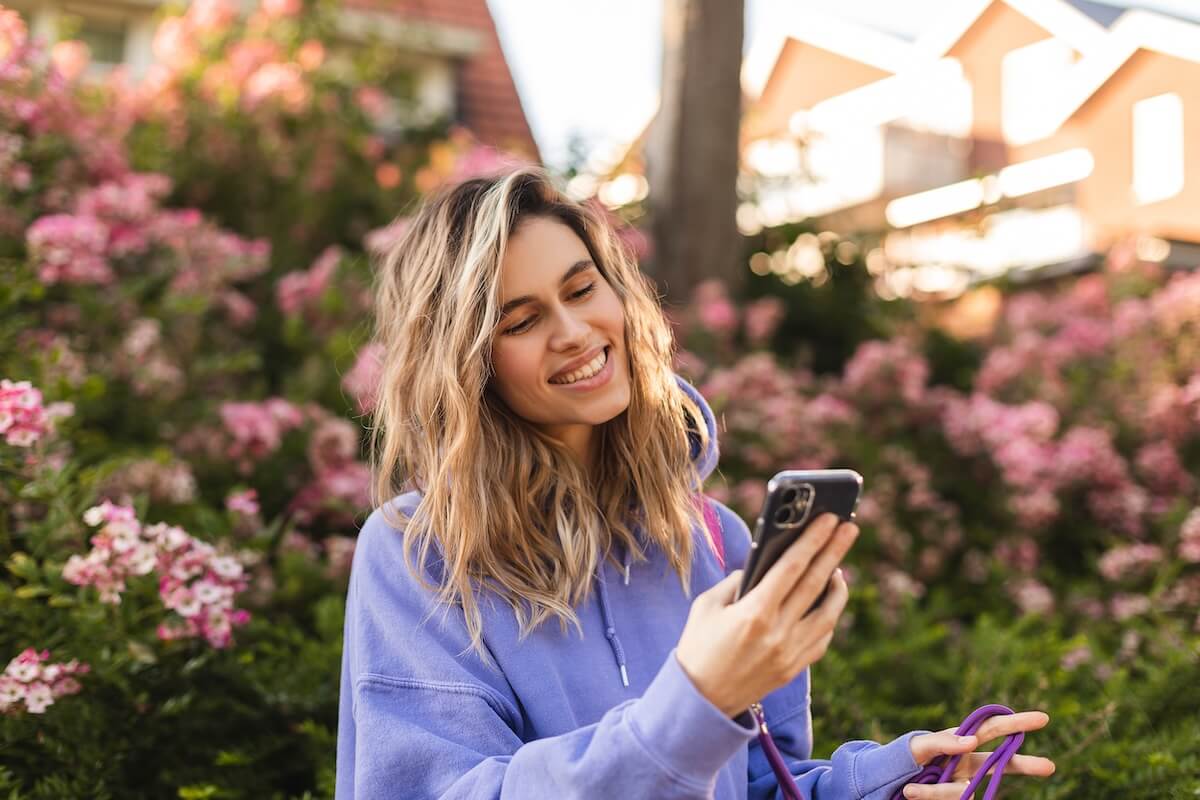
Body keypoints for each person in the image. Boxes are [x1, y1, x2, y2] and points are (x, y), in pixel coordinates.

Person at [335, 166, 1056, 799]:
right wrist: (696, 699)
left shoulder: (714, 539)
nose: (575, 331)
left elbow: (756, 785)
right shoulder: (420, 555)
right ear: (467, 365)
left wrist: (887, 782)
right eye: (521, 322)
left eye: (583, 288)